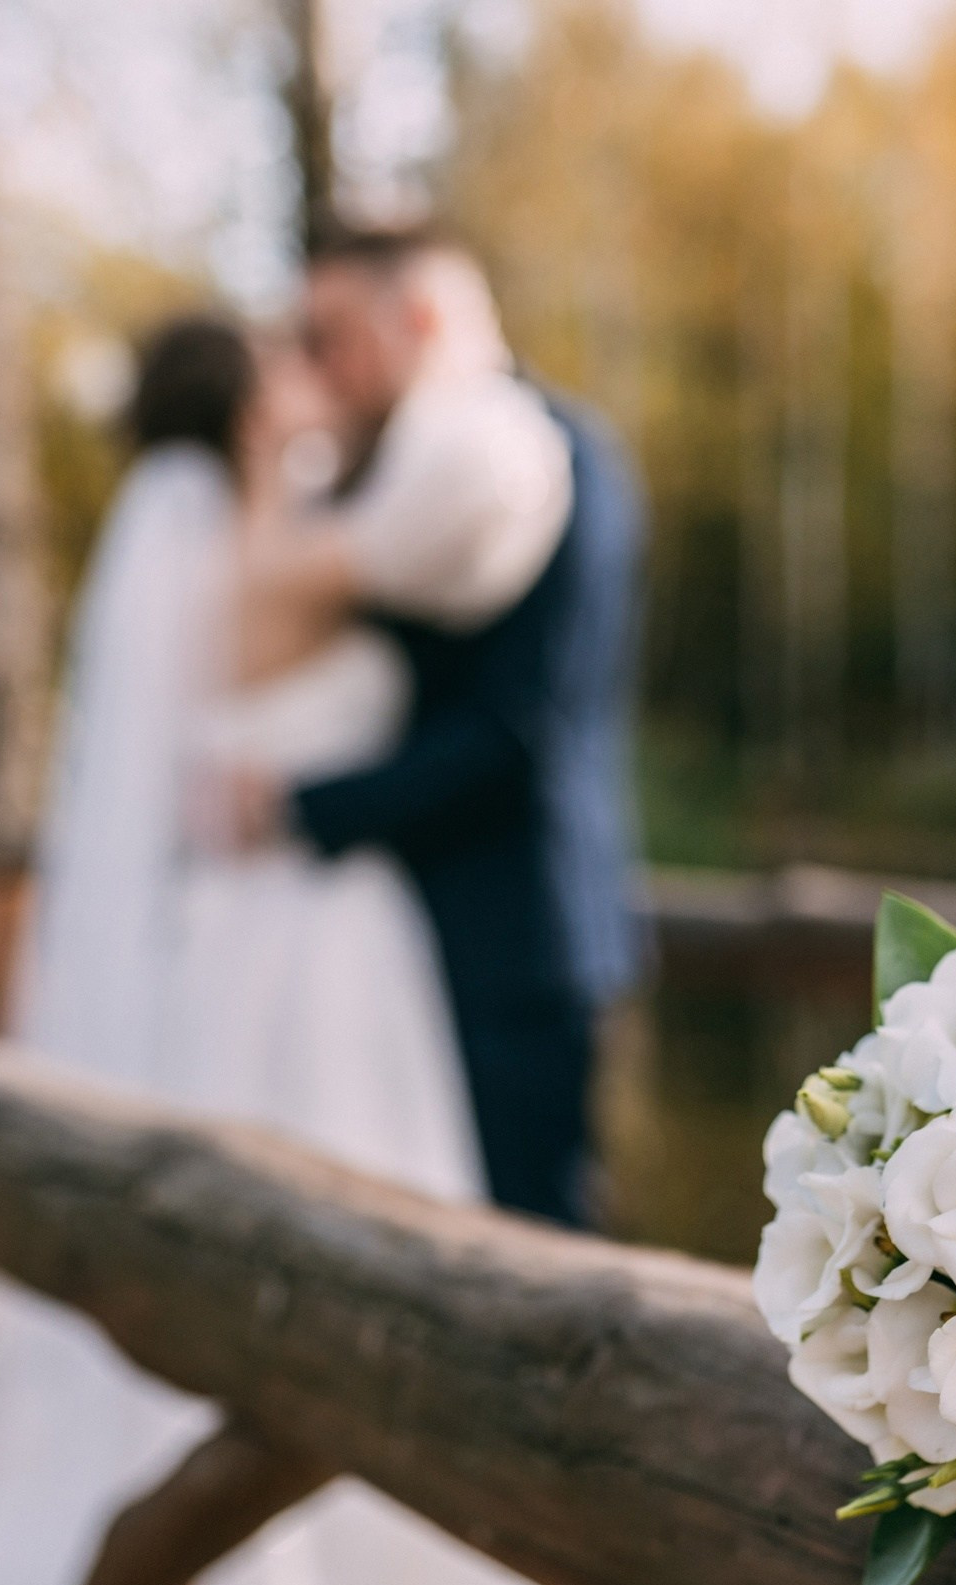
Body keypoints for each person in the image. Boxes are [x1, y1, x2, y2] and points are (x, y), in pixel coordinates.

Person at [0, 313, 599, 1585]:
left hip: (253, 945)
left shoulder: (208, 560)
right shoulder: (293, 559)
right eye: (291, 361)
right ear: (253, 416)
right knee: (357, 1243)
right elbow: (453, 549)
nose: (317, 372)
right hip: (326, 955)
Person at [237, 226, 648, 1230]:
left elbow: (524, 733)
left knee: (537, 1254)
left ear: (415, 317)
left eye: (330, 331)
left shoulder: (565, 461)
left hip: (515, 939)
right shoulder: (373, 473)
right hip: (388, 936)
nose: (319, 361)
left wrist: (297, 805)